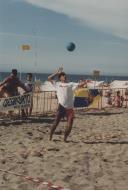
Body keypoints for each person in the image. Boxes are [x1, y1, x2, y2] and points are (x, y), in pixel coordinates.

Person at [48, 67, 87, 142]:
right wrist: (57, 72)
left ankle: (65, 139)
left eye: (65, 75)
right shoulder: (57, 84)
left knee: (70, 125)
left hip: (70, 108)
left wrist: (85, 82)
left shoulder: (70, 84)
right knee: (56, 123)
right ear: (60, 78)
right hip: (61, 107)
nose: (64, 76)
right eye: (62, 76)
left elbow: (79, 85)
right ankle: (50, 136)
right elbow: (49, 78)